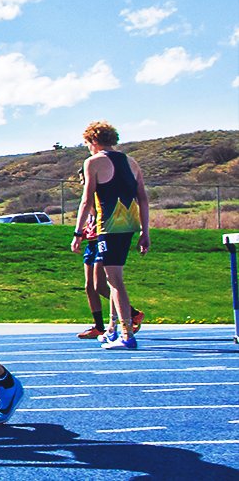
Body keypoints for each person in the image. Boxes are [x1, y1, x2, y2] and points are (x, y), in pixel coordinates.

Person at [72, 121, 150, 350]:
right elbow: (143, 198)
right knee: (108, 279)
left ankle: (127, 334)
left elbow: (86, 200)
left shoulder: (93, 162)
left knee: (115, 282)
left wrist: (77, 232)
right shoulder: (131, 161)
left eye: (87, 143)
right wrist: (145, 231)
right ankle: (112, 329)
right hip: (129, 225)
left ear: (93, 141)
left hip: (110, 227)